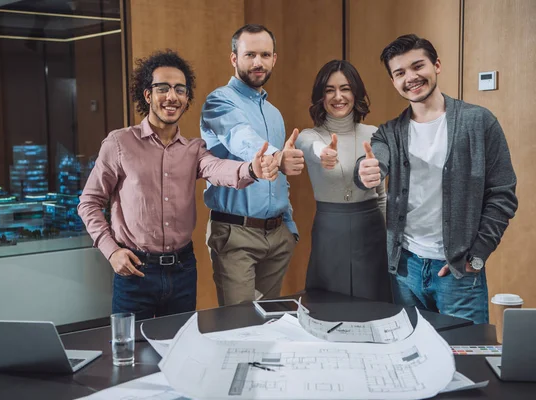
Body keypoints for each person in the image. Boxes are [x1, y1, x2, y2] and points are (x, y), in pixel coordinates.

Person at [78, 50, 275, 319]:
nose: (172, 97)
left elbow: (217, 168)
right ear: (147, 95)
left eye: (180, 90)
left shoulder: (194, 149)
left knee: (179, 351)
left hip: (182, 271)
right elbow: (89, 202)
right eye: (163, 88)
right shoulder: (119, 144)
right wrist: (112, 252)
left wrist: (252, 168)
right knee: (133, 355)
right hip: (135, 272)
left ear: (186, 99)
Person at [355, 34, 518, 324]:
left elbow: (503, 194)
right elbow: (373, 161)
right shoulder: (389, 132)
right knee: (414, 357)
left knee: (467, 359)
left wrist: (478, 254)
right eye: (400, 72)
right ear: (393, 81)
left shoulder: (478, 122)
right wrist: (366, 171)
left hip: (457, 272)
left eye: (418, 66)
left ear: (437, 66)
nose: (411, 77)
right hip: (405, 270)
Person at [200, 24, 304, 306]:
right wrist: (276, 157)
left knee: (268, 323)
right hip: (236, 236)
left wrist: (289, 228)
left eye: (265, 55)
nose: (258, 62)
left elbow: (279, 179)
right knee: (240, 326)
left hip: (277, 235)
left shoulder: (274, 114)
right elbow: (240, 138)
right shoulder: (218, 101)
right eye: (250, 55)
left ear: (274, 59)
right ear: (234, 58)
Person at [296, 60, 390, 301]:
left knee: (374, 304)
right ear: (321, 96)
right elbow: (310, 147)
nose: (338, 96)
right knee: (329, 304)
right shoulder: (310, 135)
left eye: (345, 88)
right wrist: (322, 152)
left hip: (371, 229)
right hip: (330, 231)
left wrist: (388, 239)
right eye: (329, 90)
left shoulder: (374, 133)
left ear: (355, 92)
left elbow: (381, 195)